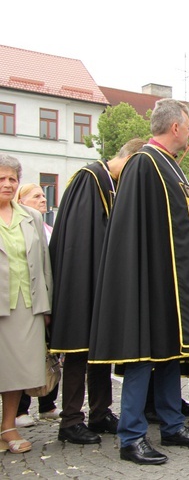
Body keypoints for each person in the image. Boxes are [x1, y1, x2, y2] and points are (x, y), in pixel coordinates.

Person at [88, 99, 189, 465]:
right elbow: (134, 229)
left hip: (173, 281)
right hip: (151, 279)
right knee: (143, 356)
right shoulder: (144, 163)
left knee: (171, 355)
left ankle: (173, 425)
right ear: (175, 127)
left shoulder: (171, 167)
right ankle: (131, 437)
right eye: (188, 126)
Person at [49, 139, 141, 445]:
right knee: (78, 350)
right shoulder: (89, 178)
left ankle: (100, 413)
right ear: (127, 159)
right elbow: (79, 239)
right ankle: (71, 420)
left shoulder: (113, 183)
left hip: (103, 279)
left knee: (101, 350)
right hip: (82, 279)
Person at [0, 155, 52, 454]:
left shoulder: (31, 217)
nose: (7, 184)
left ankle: (8, 426)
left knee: (16, 369)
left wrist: (46, 307)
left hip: (25, 302)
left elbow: (44, 264)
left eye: (12, 179)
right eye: (1, 179)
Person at [14, 184, 58, 428]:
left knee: (49, 354)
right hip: (23, 296)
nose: (43, 199)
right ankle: (21, 408)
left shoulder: (47, 226)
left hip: (45, 295)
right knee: (24, 355)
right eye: (36, 196)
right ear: (22, 200)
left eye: (44, 195)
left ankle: (48, 403)